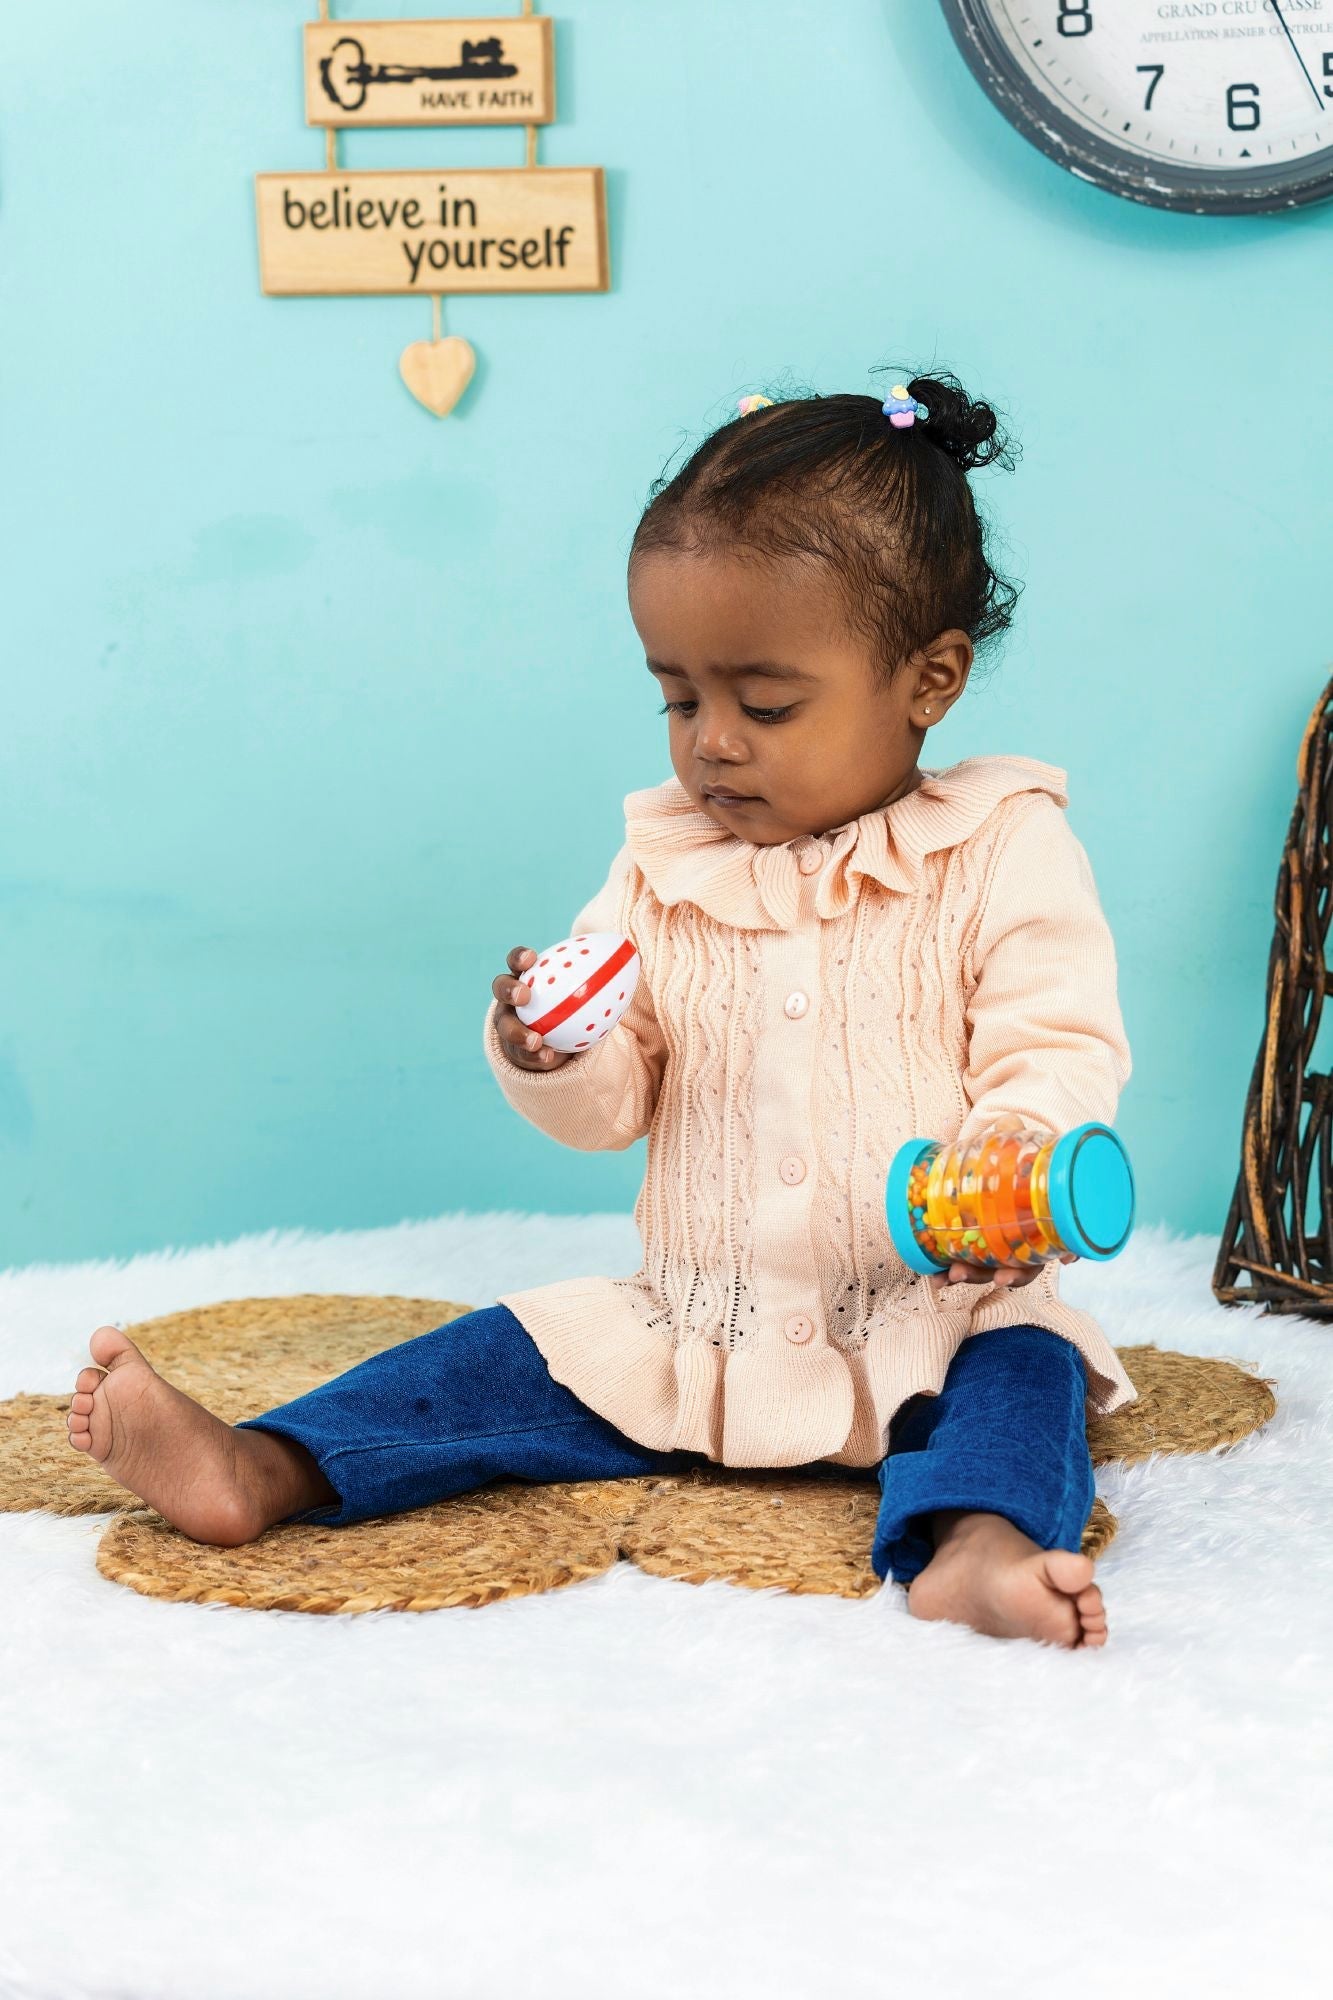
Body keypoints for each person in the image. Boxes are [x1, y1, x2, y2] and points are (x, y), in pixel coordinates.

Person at [65, 370, 1134, 1648]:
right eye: (678, 696)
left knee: (1029, 1380)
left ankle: (977, 1544)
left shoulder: (1002, 846)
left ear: (930, 679)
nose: (712, 741)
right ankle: (266, 1462)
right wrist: (552, 1048)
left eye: (765, 703)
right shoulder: (660, 865)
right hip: (699, 1324)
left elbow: (1054, 1039)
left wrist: (1013, 1157)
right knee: (492, 1358)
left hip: (938, 1309)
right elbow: (611, 1101)